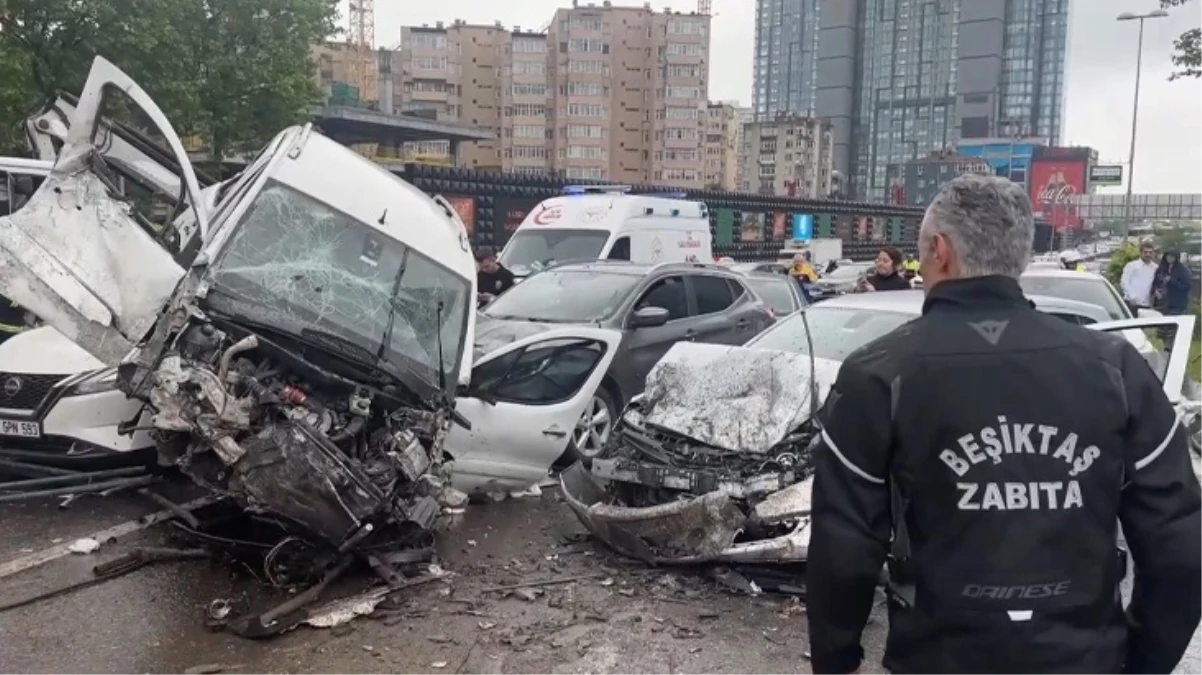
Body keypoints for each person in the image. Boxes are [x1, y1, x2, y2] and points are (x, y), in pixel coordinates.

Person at [805, 173, 1202, 675]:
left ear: (939, 250)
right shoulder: (1116, 369)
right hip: (1085, 660)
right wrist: (1143, 661)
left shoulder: (879, 373)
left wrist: (837, 661)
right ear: (1021, 255)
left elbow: (842, 545)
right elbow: (1180, 546)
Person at [1121, 241, 1159, 314]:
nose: (1148, 254)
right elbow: (1124, 281)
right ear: (1140, 253)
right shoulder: (1131, 265)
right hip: (1131, 303)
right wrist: (1132, 296)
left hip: (1147, 304)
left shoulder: (1155, 267)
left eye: (1150, 252)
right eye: (1145, 252)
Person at [1153, 250, 1192, 316]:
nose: (1169, 258)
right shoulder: (1161, 268)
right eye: (1168, 256)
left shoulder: (1183, 270)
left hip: (1176, 304)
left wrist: (1171, 281)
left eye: (1172, 256)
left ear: (1177, 257)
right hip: (1160, 302)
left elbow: (1187, 287)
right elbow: (1155, 282)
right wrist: (1155, 290)